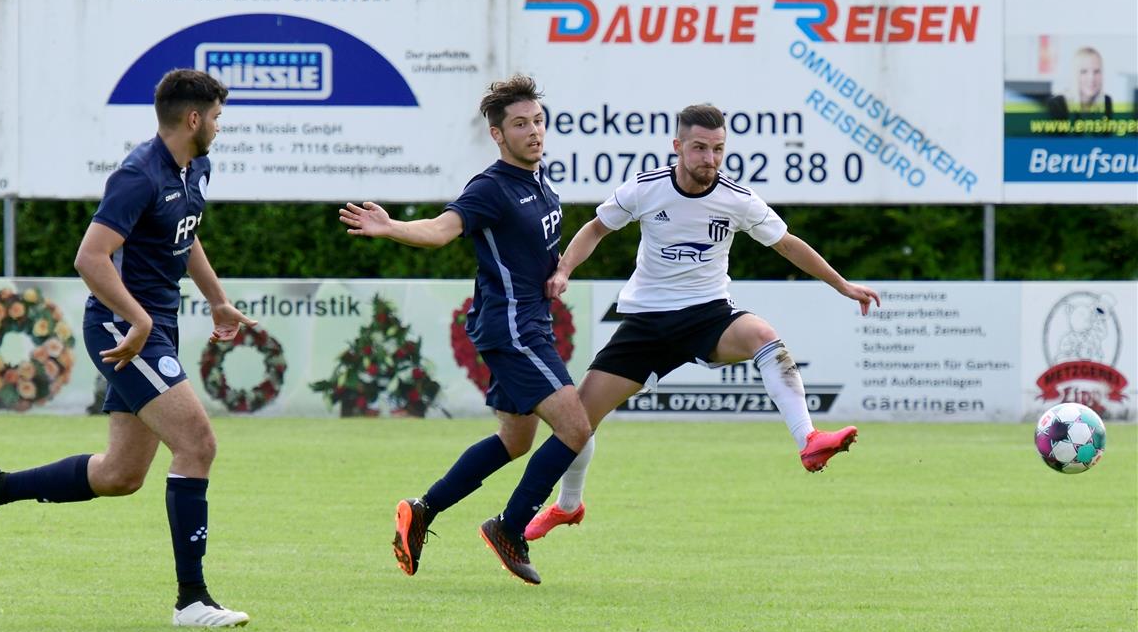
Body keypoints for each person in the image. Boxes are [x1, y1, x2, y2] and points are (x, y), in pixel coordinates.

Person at [0, 69, 255, 628]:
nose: (218, 126)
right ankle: (192, 600)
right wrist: (137, 318)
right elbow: (90, 258)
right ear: (193, 119)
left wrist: (216, 300)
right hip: (123, 328)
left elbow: (184, 236)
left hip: (152, 325)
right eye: (215, 118)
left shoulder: (195, 168)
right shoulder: (137, 175)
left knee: (120, 474)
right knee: (197, 444)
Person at [525, 103, 881, 541]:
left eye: (717, 149)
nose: (709, 159)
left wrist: (842, 285)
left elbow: (787, 245)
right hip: (647, 323)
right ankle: (568, 506)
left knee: (764, 336)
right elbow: (596, 229)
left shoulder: (737, 199)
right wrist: (563, 271)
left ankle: (808, 441)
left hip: (708, 313)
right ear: (677, 147)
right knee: (577, 420)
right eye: (698, 148)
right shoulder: (646, 189)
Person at [339, 75, 590, 585]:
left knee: (516, 440)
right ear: (497, 135)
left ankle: (423, 509)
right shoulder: (491, 188)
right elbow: (443, 229)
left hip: (524, 323)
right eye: (520, 124)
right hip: (514, 328)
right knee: (576, 429)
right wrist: (391, 228)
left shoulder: (541, 183)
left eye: (538, 121)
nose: (533, 131)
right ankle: (510, 527)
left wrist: (557, 273)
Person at [1047, 46, 1113, 120]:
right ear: (1074, 75)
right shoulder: (1057, 105)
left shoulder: (1106, 101)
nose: (1091, 78)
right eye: (1083, 71)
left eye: (1096, 71)